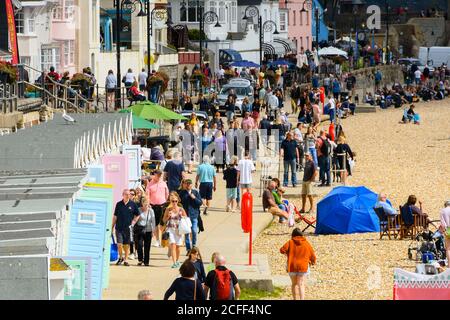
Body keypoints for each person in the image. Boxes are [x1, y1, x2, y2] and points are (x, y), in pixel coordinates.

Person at [280, 228, 316, 300]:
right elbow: (312, 254)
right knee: (301, 284)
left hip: (292, 265)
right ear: (302, 235)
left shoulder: (290, 242)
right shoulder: (306, 243)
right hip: (303, 266)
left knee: (294, 284)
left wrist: (288, 254)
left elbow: (282, 250)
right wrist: (313, 262)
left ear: (293, 235)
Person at [112, 189, 141, 266]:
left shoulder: (133, 204)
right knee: (119, 244)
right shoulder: (118, 204)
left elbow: (138, 214)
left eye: (129, 194)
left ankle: (125, 259)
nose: (127, 195)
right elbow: (115, 216)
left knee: (126, 245)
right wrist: (112, 227)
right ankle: (120, 257)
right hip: (119, 228)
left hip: (128, 229)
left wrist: (133, 222)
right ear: (123, 195)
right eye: (126, 194)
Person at [162, 192, 188, 268]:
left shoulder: (181, 209)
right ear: (170, 201)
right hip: (171, 229)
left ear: (178, 201)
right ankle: (174, 263)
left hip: (179, 230)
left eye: (175, 201)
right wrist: (168, 217)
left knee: (178, 247)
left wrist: (182, 218)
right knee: (173, 245)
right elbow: (163, 220)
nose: (174, 202)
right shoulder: (168, 209)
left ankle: (177, 261)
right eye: (172, 201)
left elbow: (186, 218)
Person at [146, 170, 169, 247]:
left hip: (162, 205)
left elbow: (167, 193)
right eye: (157, 175)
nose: (159, 176)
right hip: (153, 205)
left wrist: (166, 202)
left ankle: (163, 239)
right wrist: (148, 203)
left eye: (160, 175)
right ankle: (157, 240)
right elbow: (147, 195)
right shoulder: (150, 184)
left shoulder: (163, 183)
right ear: (154, 175)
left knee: (162, 223)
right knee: (155, 224)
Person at [178, 180, 202, 251]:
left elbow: (200, 203)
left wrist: (194, 198)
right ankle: (188, 249)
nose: (188, 186)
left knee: (194, 231)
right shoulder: (181, 193)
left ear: (191, 185)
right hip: (185, 216)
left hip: (194, 215)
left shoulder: (195, 192)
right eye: (186, 184)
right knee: (187, 232)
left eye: (189, 184)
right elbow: (179, 204)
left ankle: (194, 245)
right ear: (184, 185)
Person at [135, 198, 156, 266]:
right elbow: (135, 219)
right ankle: (140, 260)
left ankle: (146, 261)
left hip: (148, 231)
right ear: (142, 203)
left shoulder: (151, 211)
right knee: (139, 246)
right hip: (140, 230)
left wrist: (153, 231)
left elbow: (153, 221)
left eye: (147, 203)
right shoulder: (139, 210)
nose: (146, 205)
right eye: (145, 203)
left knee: (147, 247)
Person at [439, 200, 450, 266]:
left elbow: (443, 223)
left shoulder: (443, 211)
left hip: (448, 230)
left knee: (448, 249)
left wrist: (443, 231)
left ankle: (449, 265)